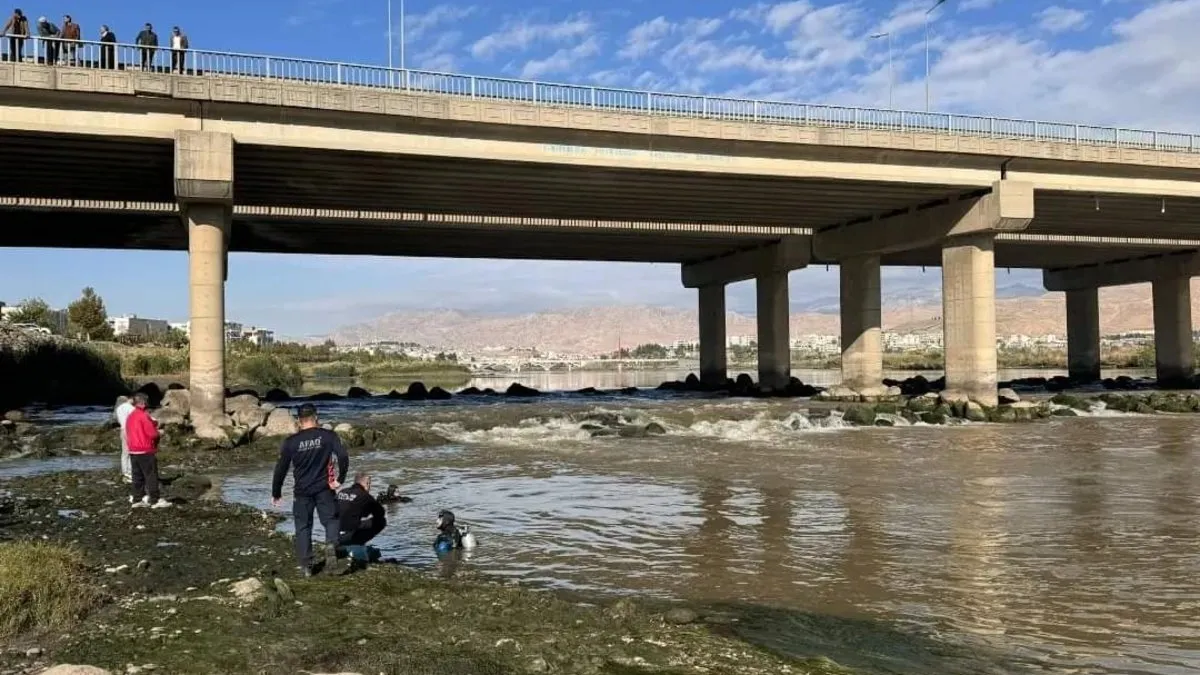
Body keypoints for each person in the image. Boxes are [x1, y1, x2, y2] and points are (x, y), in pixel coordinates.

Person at [271, 404, 349, 576]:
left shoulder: (291, 442)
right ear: (316, 417)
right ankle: (330, 544)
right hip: (324, 488)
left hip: (302, 491)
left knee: (303, 526)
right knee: (331, 519)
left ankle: (306, 566)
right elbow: (343, 456)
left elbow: (281, 469)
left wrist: (276, 492)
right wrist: (340, 479)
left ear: (299, 421)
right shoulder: (328, 436)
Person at [127, 393, 170, 509]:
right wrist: (159, 433)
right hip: (145, 450)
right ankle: (155, 500)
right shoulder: (143, 415)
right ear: (143, 403)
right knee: (151, 475)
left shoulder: (131, 416)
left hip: (133, 450)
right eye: (146, 402)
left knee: (137, 476)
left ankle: (137, 500)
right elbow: (152, 434)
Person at [337, 472, 386, 555]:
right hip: (349, 536)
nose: (370, 487)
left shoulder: (342, 492)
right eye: (369, 484)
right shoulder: (364, 496)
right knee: (381, 521)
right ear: (367, 483)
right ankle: (357, 543)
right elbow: (380, 513)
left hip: (333, 534)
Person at [115, 395, 135, 484]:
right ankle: (130, 472)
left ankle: (125, 472)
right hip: (130, 430)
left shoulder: (119, 408)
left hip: (122, 429)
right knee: (131, 452)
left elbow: (118, 420)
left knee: (124, 453)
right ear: (131, 399)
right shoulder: (131, 408)